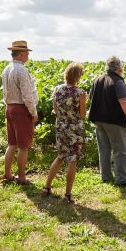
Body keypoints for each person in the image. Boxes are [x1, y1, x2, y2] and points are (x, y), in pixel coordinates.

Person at [88, 56, 126, 187]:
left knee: (104, 149)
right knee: (121, 150)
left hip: (98, 120)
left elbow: (91, 97)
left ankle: (106, 177)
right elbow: (123, 101)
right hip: (114, 121)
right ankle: (121, 179)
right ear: (118, 68)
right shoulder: (118, 81)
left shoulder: (98, 79)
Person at [41, 62, 87, 203]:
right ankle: (67, 195)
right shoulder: (80, 93)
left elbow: (55, 110)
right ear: (77, 76)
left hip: (60, 127)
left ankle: (46, 187)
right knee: (72, 159)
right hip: (75, 128)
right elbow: (83, 115)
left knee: (60, 156)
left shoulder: (57, 89)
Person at [0, 40, 39, 185]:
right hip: (21, 109)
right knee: (23, 146)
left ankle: (7, 174)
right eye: (27, 52)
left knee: (12, 143)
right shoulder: (21, 70)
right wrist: (33, 112)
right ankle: (22, 177)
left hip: (9, 107)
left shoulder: (7, 68)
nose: (28, 55)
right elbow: (27, 95)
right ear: (21, 54)